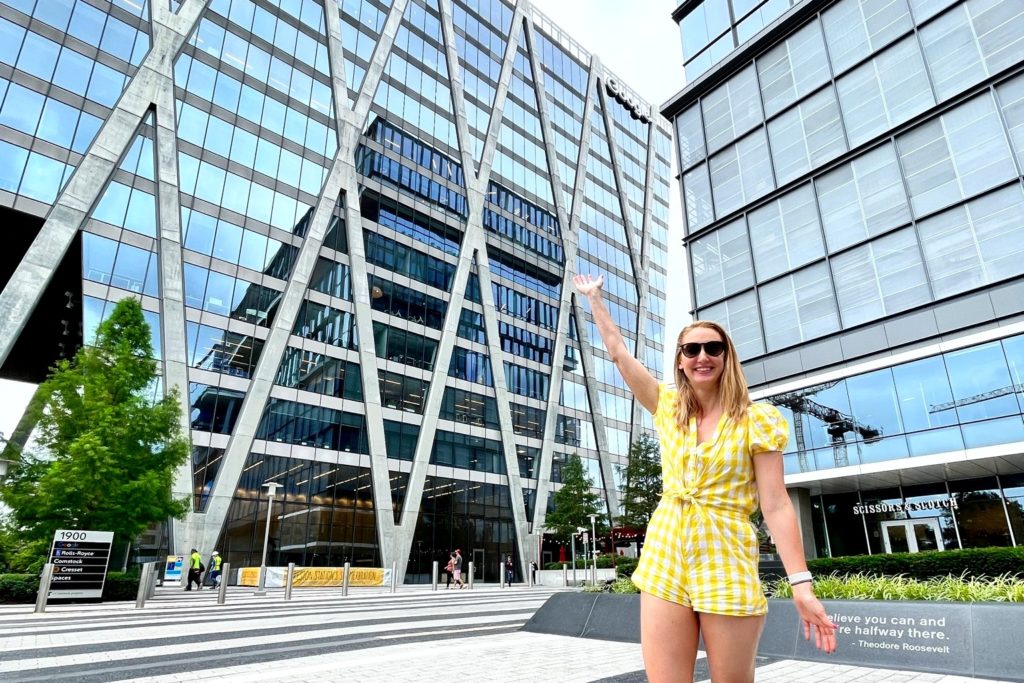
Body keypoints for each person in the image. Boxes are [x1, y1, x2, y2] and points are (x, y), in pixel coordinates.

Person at [574, 273, 837, 683]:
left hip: (725, 552)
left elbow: (776, 502)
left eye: (713, 348)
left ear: (726, 356)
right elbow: (619, 354)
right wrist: (595, 300)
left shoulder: (758, 420)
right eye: (691, 349)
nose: (702, 356)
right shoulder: (667, 406)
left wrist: (801, 585)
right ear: (680, 359)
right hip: (665, 550)